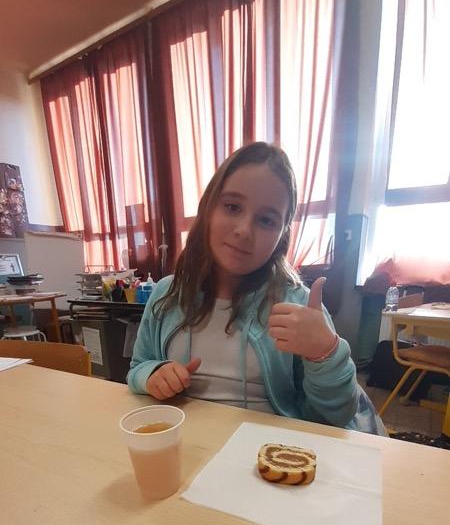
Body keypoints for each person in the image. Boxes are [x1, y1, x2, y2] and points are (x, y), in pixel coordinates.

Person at [128, 142, 385, 435]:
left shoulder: (299, 306)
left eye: (266, 220)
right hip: (186, 443)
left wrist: (325, 354)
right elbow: (138, 367)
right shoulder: (166, 294)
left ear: (282, 235)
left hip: (266, 451)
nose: (244, 230)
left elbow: (334, 418)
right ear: (208, 208)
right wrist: (153, 374)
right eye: (232, 207)